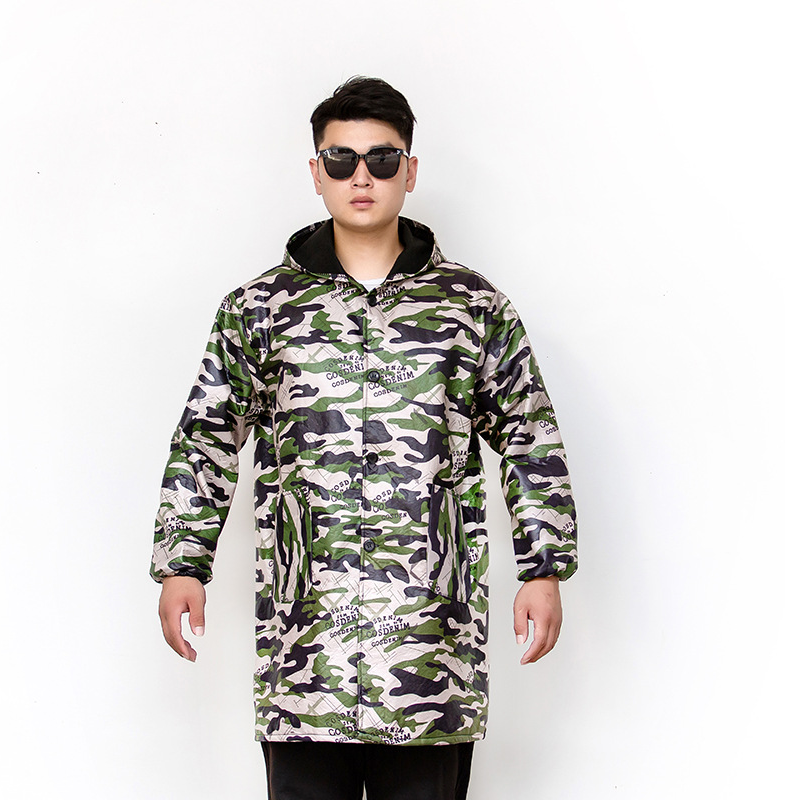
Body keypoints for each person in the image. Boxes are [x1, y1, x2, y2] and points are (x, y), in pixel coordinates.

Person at [151, 76, 578, 800]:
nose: (361, 177)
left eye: (381, 160)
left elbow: (529, 437)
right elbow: (207, 438)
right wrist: (181, 563)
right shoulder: (260, 309)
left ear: (409, 171)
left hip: (430, 651)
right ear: (315, 171)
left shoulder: (473, 308)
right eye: (341, 159)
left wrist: (545, 568)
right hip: (306, 650)